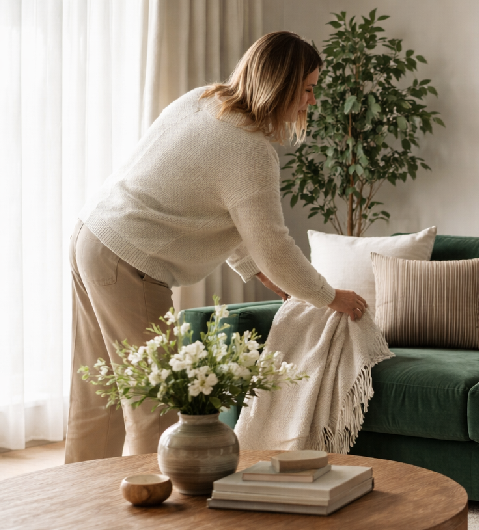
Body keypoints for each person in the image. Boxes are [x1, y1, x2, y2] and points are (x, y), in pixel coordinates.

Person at [66, 32, 366, 464]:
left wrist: (258, 271)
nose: (311, 101)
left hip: (92, 235)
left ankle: (80, 496)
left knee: (97, 392)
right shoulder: (250, 151)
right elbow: (274, 246)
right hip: (128, 259)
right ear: (280, 84)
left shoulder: (204, 100)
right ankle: (162, 501)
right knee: (157, 402)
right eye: (306, 89)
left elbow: (221, 212)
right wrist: (329, 296)